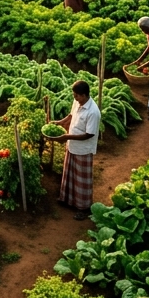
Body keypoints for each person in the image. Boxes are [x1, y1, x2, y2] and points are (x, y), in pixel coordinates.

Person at [50, 79, 101, 220]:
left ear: (84, 95)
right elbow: (71, 115)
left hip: (83, 149)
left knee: (82, 180)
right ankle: (67, 199)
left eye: (77, 96)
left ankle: (83, 208)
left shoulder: (93, 112)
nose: (75, 98)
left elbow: (89, 134)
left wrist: (66, 137)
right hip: (72, 145)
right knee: (70, 174)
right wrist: (59, 123)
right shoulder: (78, 102)